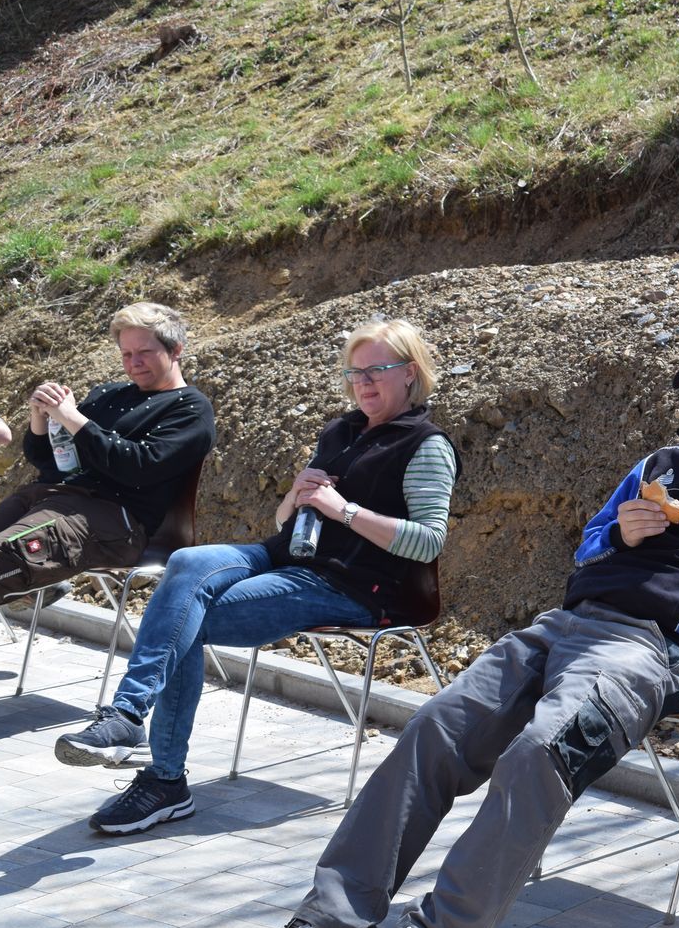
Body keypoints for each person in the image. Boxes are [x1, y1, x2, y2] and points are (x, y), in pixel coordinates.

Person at [270, 335, 679, 928]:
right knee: (434, 728)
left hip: (649, 651)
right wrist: (621, 536)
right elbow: (588, 546)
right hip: (563, 625)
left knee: (539, 755)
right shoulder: (658, 465)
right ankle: (330, 921)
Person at [54, 318, 458, 837]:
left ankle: (161, 777)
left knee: (183, 619)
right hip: (287, 557)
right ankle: (129, 718)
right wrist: (295, 496)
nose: (363, 383)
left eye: (376, 371)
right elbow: (287, 522)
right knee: (187, 564)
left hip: (353, 584)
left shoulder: (426, 445)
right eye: (354, 373)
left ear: (410, 372)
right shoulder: (340, 431)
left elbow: (427, 541)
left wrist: (344, 510)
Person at [0, 303, 215, 611]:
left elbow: (138, 467)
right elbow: (50, 462)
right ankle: (30, 583)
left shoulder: (190, 409)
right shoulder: (108, 395)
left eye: (144, 352)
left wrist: (72, 418)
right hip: (47, 499)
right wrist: (41, 416)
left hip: (112, 519)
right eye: (126, 354)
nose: (134, 363)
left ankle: (28, 581)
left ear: (176, 350)